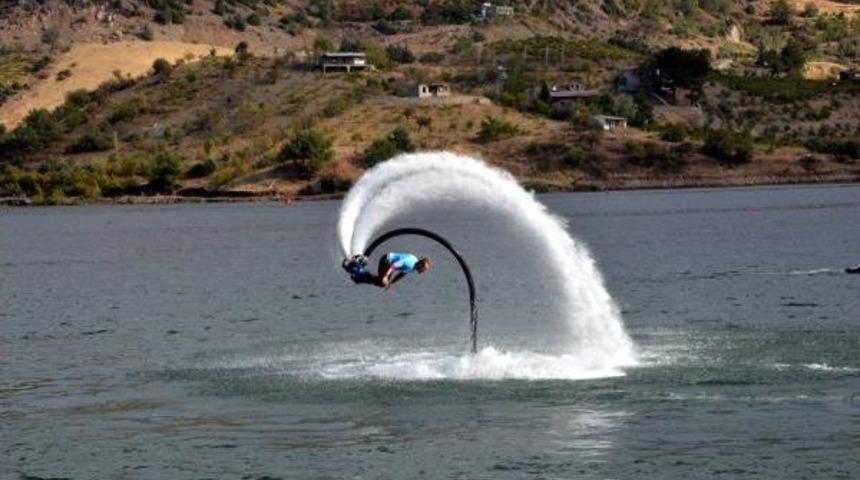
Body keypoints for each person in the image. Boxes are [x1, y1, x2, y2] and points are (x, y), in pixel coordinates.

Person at [343, 253, 432, 289]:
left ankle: (359, 277)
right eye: (424, 269)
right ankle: (359, 273)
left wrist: (391, 282)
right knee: (382, 281)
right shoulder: (410, 262)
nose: (424, 271)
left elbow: (402, 274)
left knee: (382, 283)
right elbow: (393, 266)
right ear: (420, 264)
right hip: (386, 260)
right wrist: (385, 277)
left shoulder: (413, 267)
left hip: (390, 265)